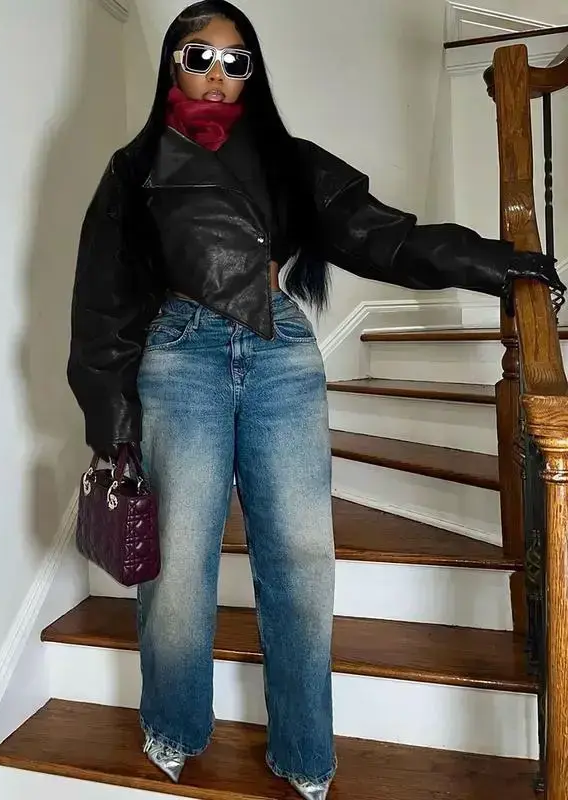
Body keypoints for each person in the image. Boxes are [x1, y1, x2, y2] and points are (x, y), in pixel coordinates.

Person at [66, 2, 563, 797]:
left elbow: (383, 236)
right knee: (180, 563)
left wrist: (495, 263)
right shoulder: (135, 169)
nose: (217, 74)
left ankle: (303, 752)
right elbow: (102, 305)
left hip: (280, 356)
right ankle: (174, 722)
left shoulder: (288, 160)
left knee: (301, 561)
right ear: (172, 65)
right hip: (181, 358)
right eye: (199, 56)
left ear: (253, 72)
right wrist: (113, 423)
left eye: (236, 60)